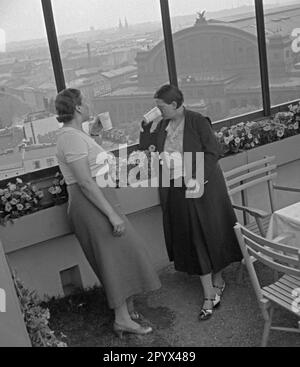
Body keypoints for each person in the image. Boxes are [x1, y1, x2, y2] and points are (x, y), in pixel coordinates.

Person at [55, 88, 161, 338]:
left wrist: (95, 136)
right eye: (86, 102)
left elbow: (92, 165)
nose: (89, 104)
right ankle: (122, 319)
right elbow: (85, 182)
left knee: (123, 255)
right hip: (92, 205)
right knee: (112, 260)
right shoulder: (70, 138)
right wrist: (112, 215)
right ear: (78, 108)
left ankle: (127, 310)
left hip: (100, 201)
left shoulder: (78, 135)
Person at [139, 84, 242, 321]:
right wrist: (145, 127)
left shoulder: (197, 121)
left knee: (214, 232)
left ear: (174, 104)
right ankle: (210, 292)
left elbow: (213, 152)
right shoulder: (163, 124)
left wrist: (196, 177)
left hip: (203, 186)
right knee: (195, 237)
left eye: (160, 106)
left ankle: (216, 282)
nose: (158, 110)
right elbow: (148, 148)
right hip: (176, 188)